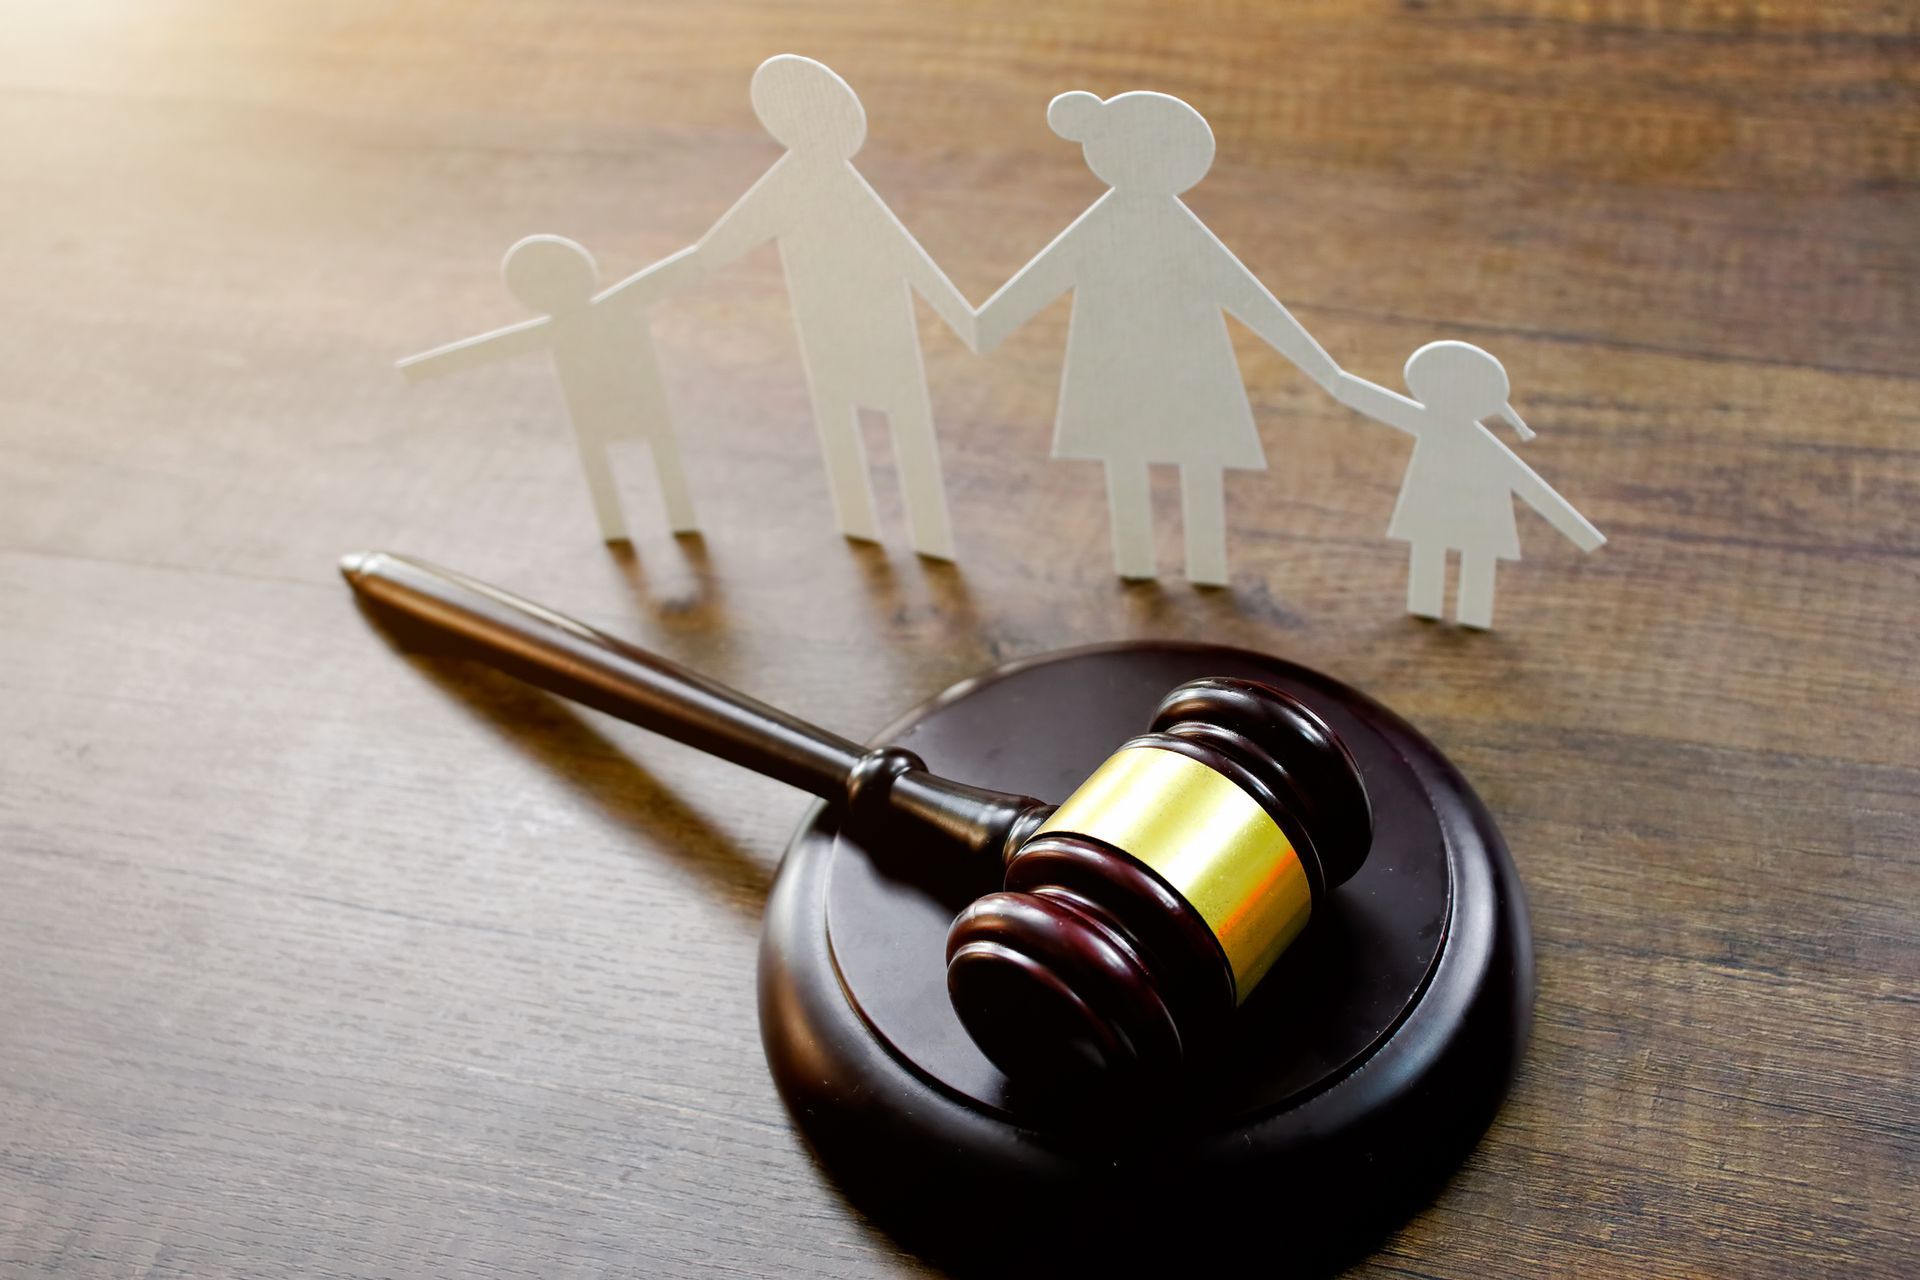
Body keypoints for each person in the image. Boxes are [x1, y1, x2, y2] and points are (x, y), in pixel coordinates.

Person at [603, 55, 972, 559]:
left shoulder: (846, 188)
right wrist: (635, 293)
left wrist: (967, 320)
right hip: (826, 327)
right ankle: (866, 523)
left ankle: (924, 534)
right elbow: (714, 252)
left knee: (900, 422)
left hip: (882, 325)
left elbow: (906, 257)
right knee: (845, 421)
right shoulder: (789, 185)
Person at [974, 90, 1345, 585]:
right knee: (1143, 455)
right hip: (1131, 363)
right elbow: (1038, 282)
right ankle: (1141, 563)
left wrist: (1323, 369)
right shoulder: (1108, 228)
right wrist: (981, 327)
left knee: (1183, 457)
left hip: (1179, 364)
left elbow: (1251, 301)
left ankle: (1200, 567)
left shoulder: (1163, 230)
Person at [399, 236, 697, 542]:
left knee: (654, 458)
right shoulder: (604, 311)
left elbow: (692, 260)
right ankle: (627, 525)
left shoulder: (614, 307)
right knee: (609, 463)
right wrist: (414, 370)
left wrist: (417, 370)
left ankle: (670, 517)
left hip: (631, 400)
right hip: (596, 408)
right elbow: (478, 352)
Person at [1334, 341, 1605, 628]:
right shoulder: (1431, 422)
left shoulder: (1480, 442)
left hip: (1479, 512)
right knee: (1431, 550)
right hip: (1433, 502)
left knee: (1475, 559)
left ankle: (1470, 614)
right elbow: (1347, 388)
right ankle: (1428, 605)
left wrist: (1581, 533)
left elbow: (1529, 484)